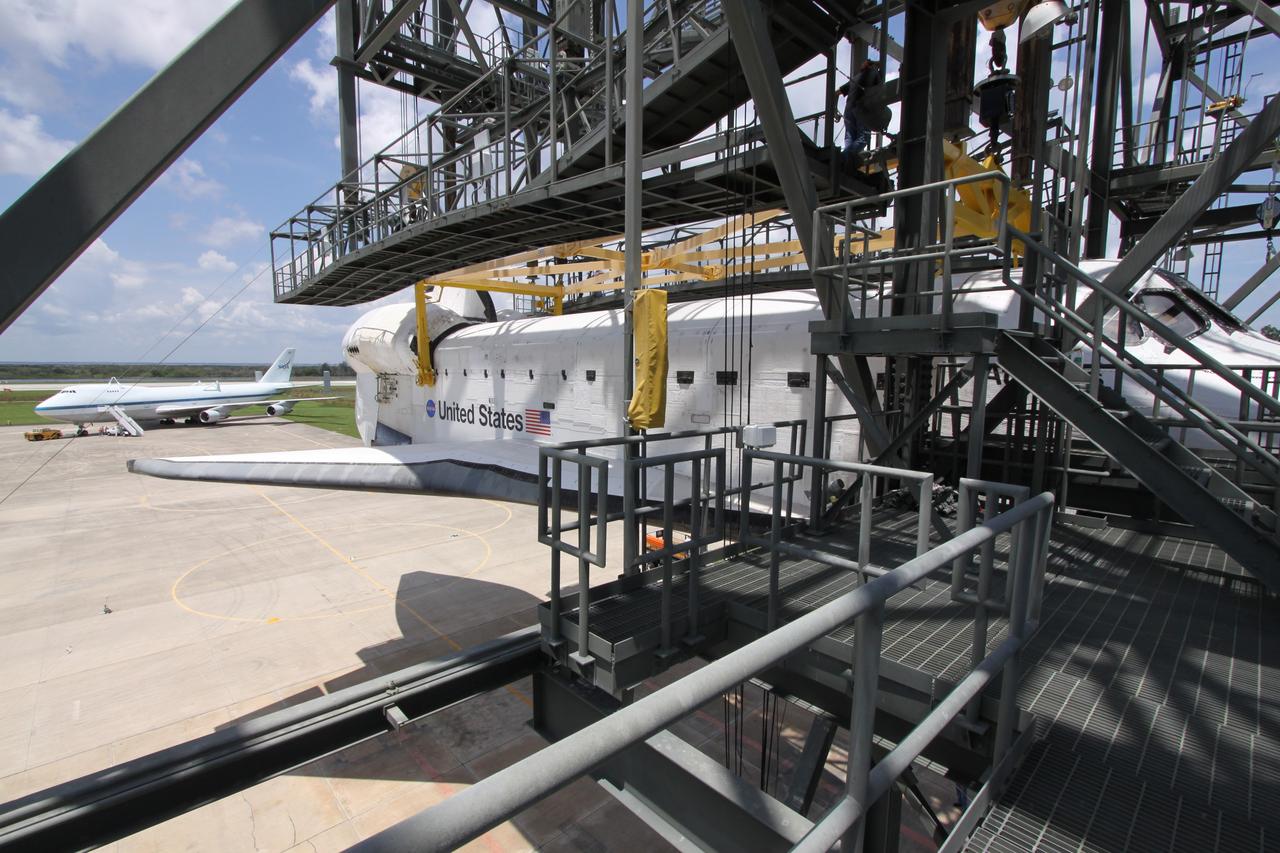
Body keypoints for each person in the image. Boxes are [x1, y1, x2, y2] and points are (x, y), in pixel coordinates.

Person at [837, 60, 882, 170]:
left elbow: (836, 92)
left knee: (850, 138)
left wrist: (834, 109)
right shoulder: (874, 73)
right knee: (863, 138)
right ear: (872, 67)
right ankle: (843, 157)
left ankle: (845, 160)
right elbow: (880, 91)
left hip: (848, 111)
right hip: (861, 109)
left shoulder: (856, 78)